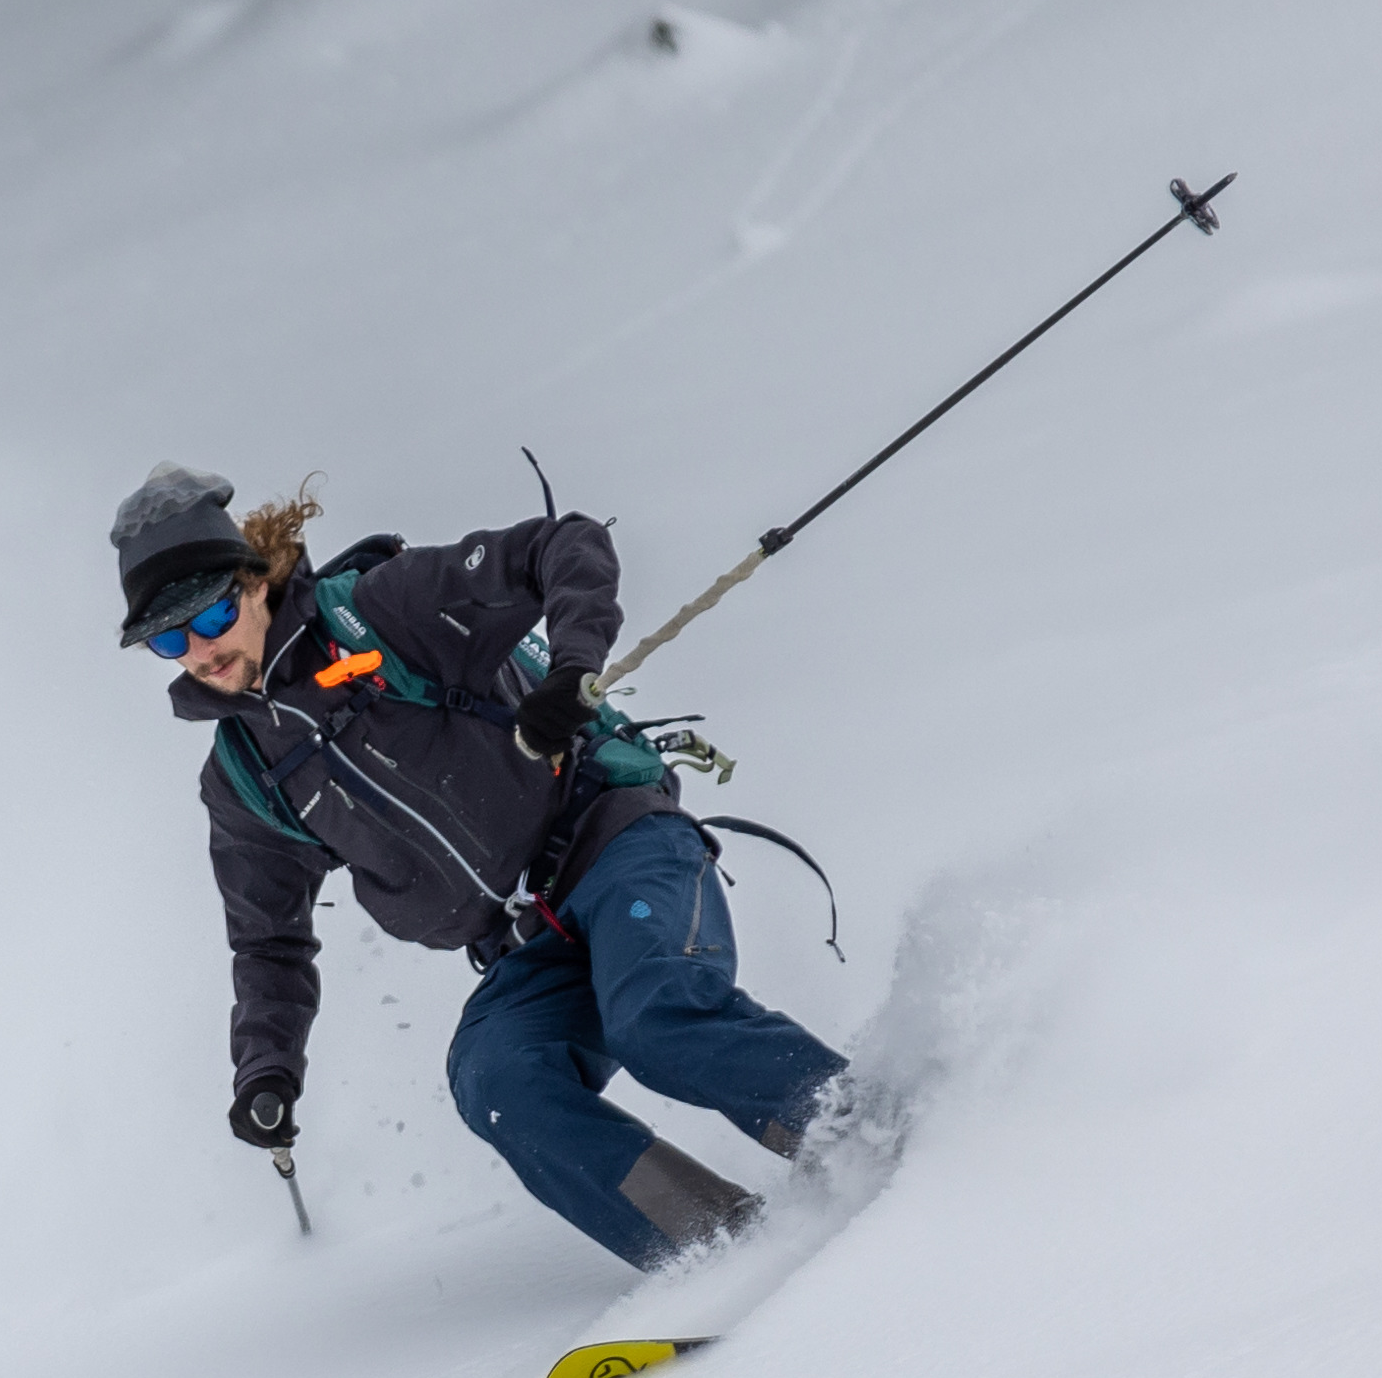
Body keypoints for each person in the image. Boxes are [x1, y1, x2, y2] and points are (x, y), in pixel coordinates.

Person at [114, 461, 853, 1270]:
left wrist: (572, 671)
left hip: (616, 841)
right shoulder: (246, 778)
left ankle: (871, 1137)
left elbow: (561, 547)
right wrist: (267, 1069)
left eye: (214, 611)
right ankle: (721, 1249)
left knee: (656, 1015)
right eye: (169, 638)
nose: (202, 648)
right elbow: (269, 944)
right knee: (497, 1082)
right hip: (527, 941)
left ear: (256, 582)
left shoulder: (381, 611)